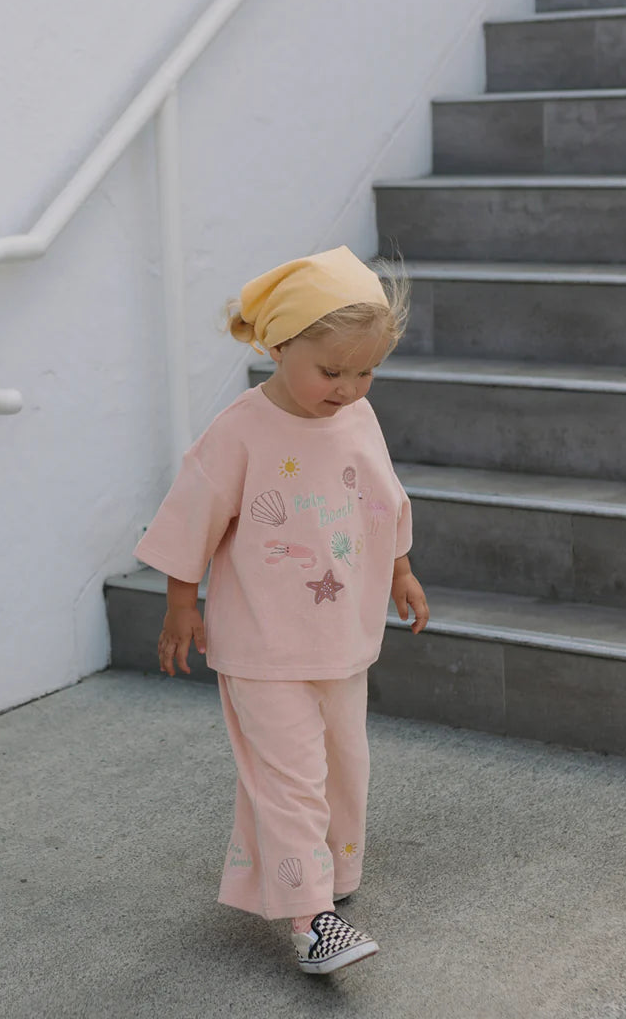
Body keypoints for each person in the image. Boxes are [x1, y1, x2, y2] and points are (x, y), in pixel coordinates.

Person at [133, 245, 429, 975]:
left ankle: (333, 879)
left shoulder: (358, 419)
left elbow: (384, 500)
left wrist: (401, 568)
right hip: (262, 647)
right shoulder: (239, 432)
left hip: (341, 638)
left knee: (343, 765)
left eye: (366, 372)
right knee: (290, 777)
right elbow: (191, 518)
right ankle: (311, 920)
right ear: (277, 345)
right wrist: (181, 606)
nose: (349, 388)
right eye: (331, 371)